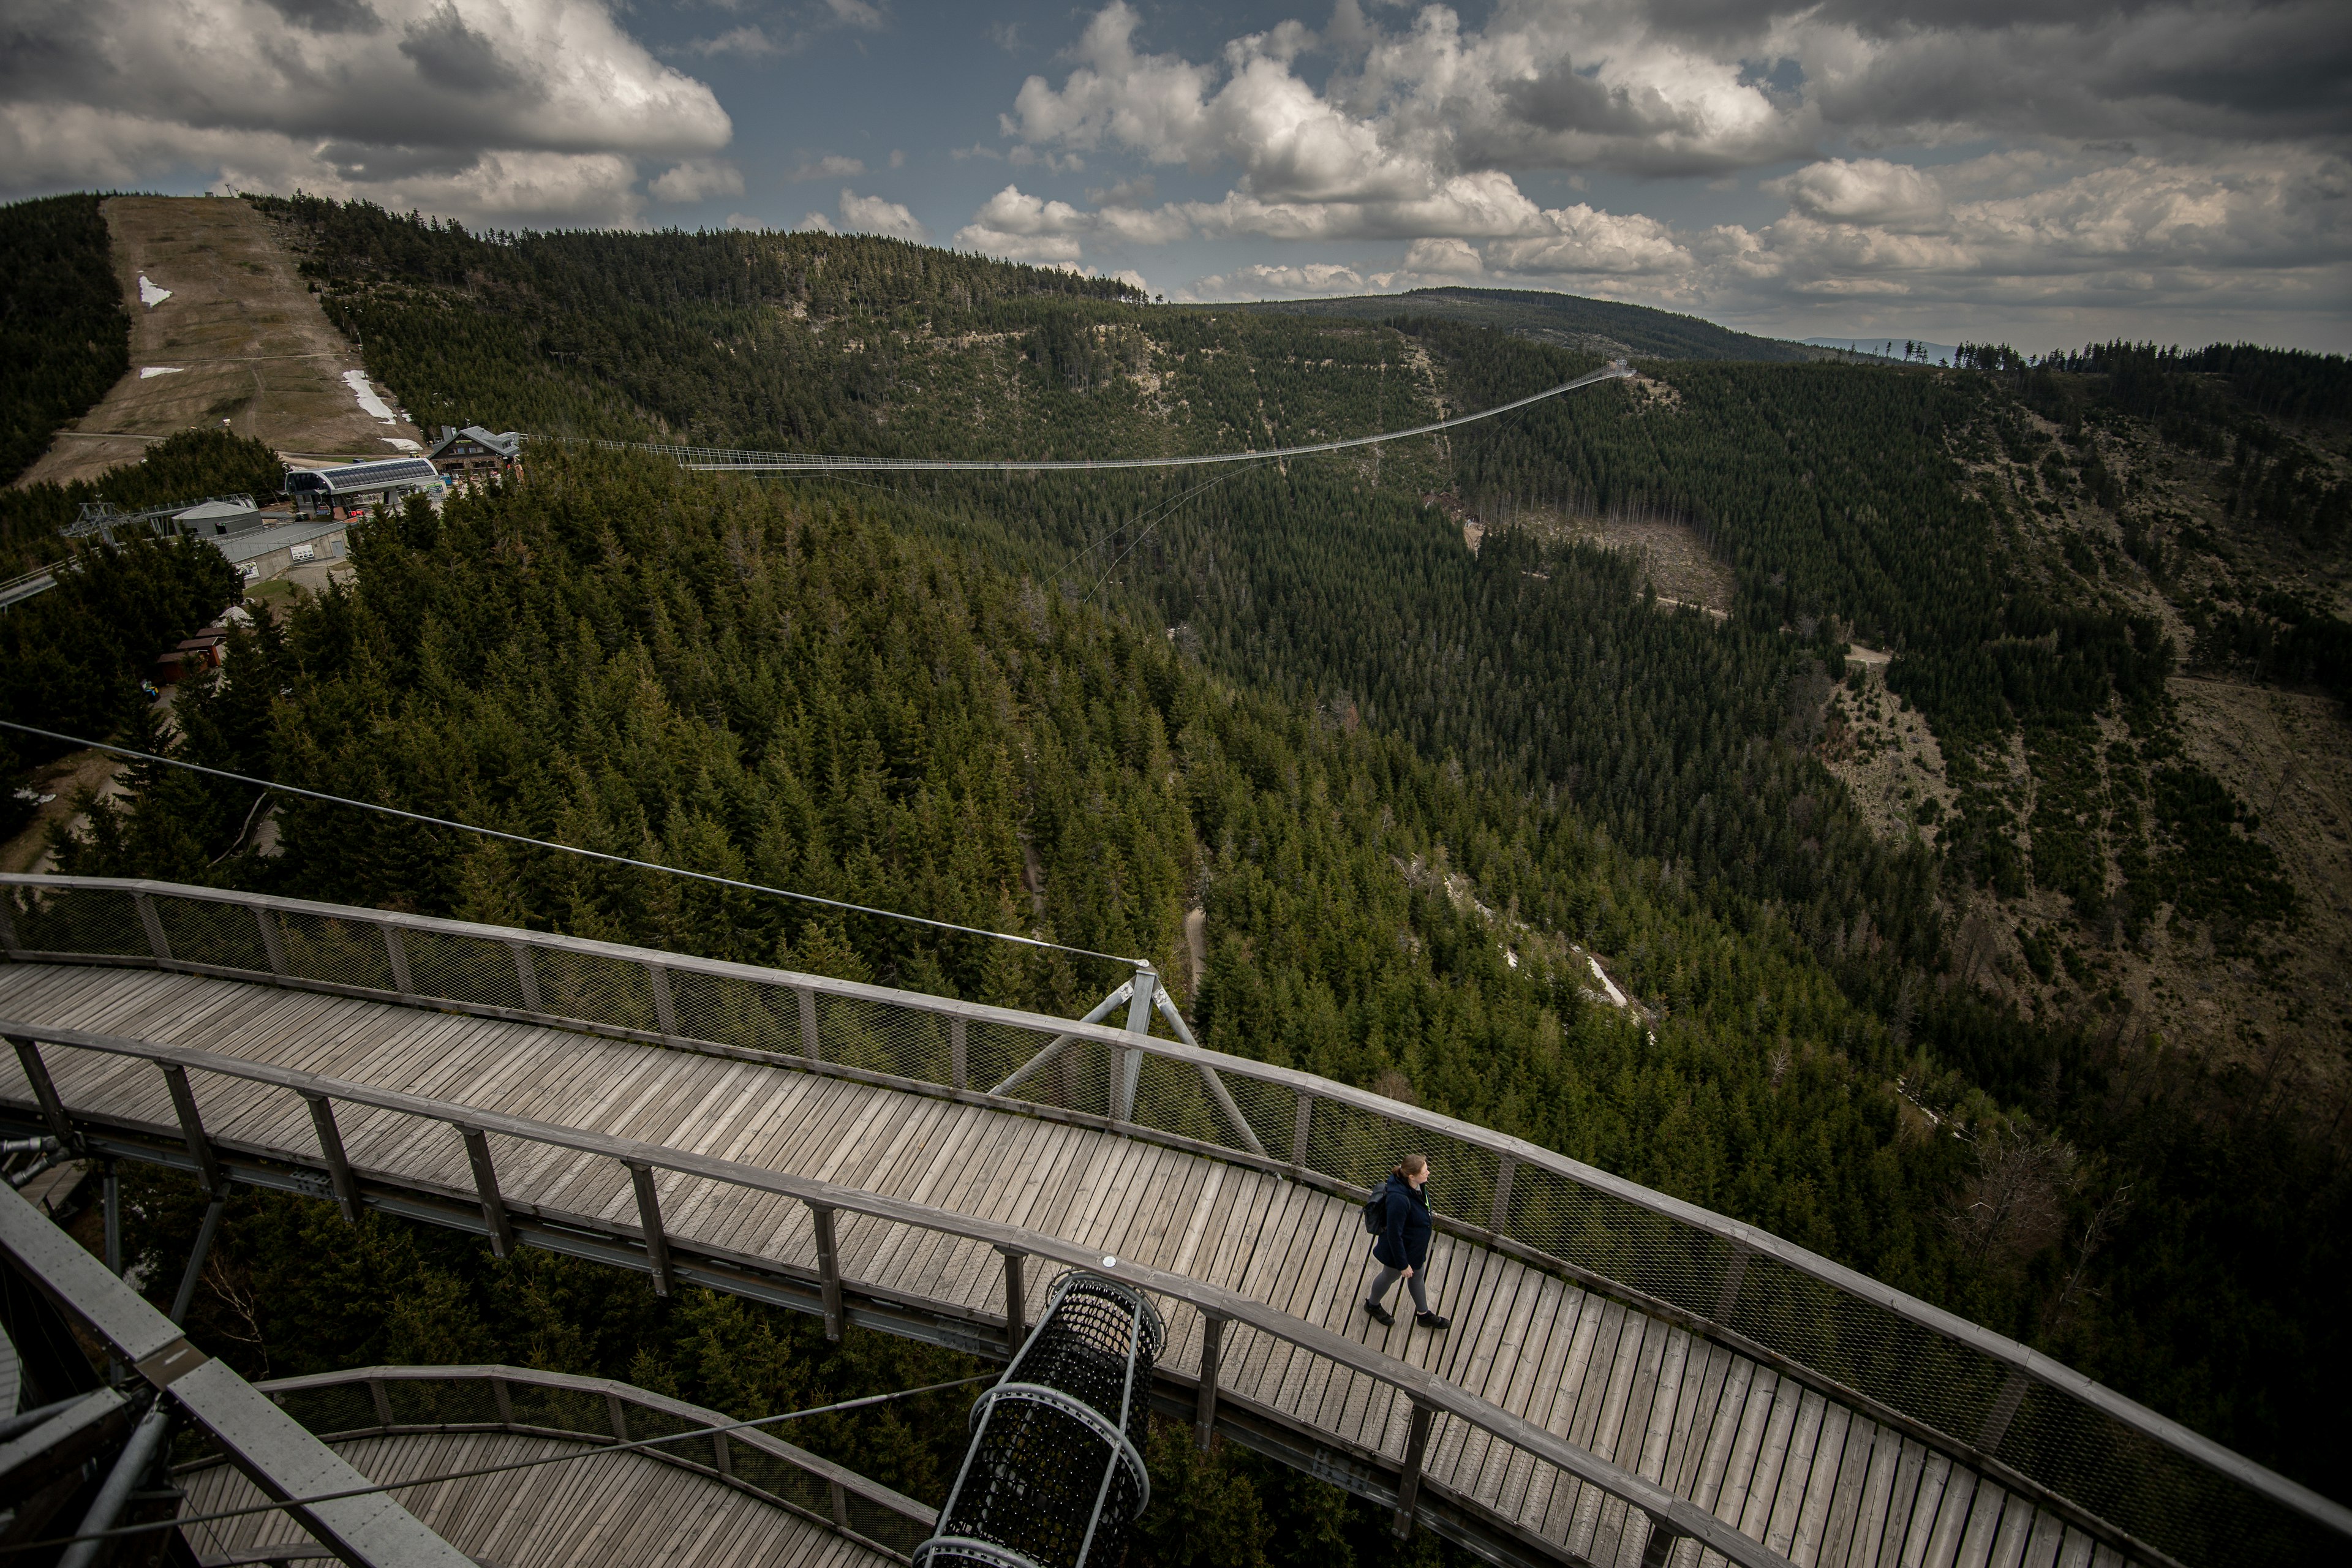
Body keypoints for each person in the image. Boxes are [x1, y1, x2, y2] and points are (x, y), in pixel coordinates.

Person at [1362, 1153, 1449, 1330]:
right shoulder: (1399, 1200)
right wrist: (1403, 1264)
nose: (1429, 1173)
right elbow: (1395, 1235)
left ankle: (1423, 1314)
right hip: (1400, 1250)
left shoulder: (1416, 1185)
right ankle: (1372, 1305)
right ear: (1412, 1176)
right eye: (1425, 1171)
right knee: (1390, 1275)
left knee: (1416, 1275)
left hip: (1413, 1247)